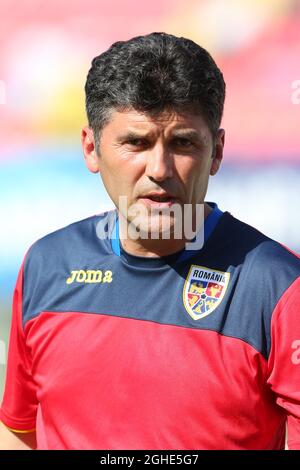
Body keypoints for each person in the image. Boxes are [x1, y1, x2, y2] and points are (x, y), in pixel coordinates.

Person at [0, 32, 300, 451]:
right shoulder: (46, 265)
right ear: (91, 148)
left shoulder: (281, 288)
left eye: (182, 143)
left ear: (216, 152)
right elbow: (20, 431)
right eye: (136, 142)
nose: (159, 168)